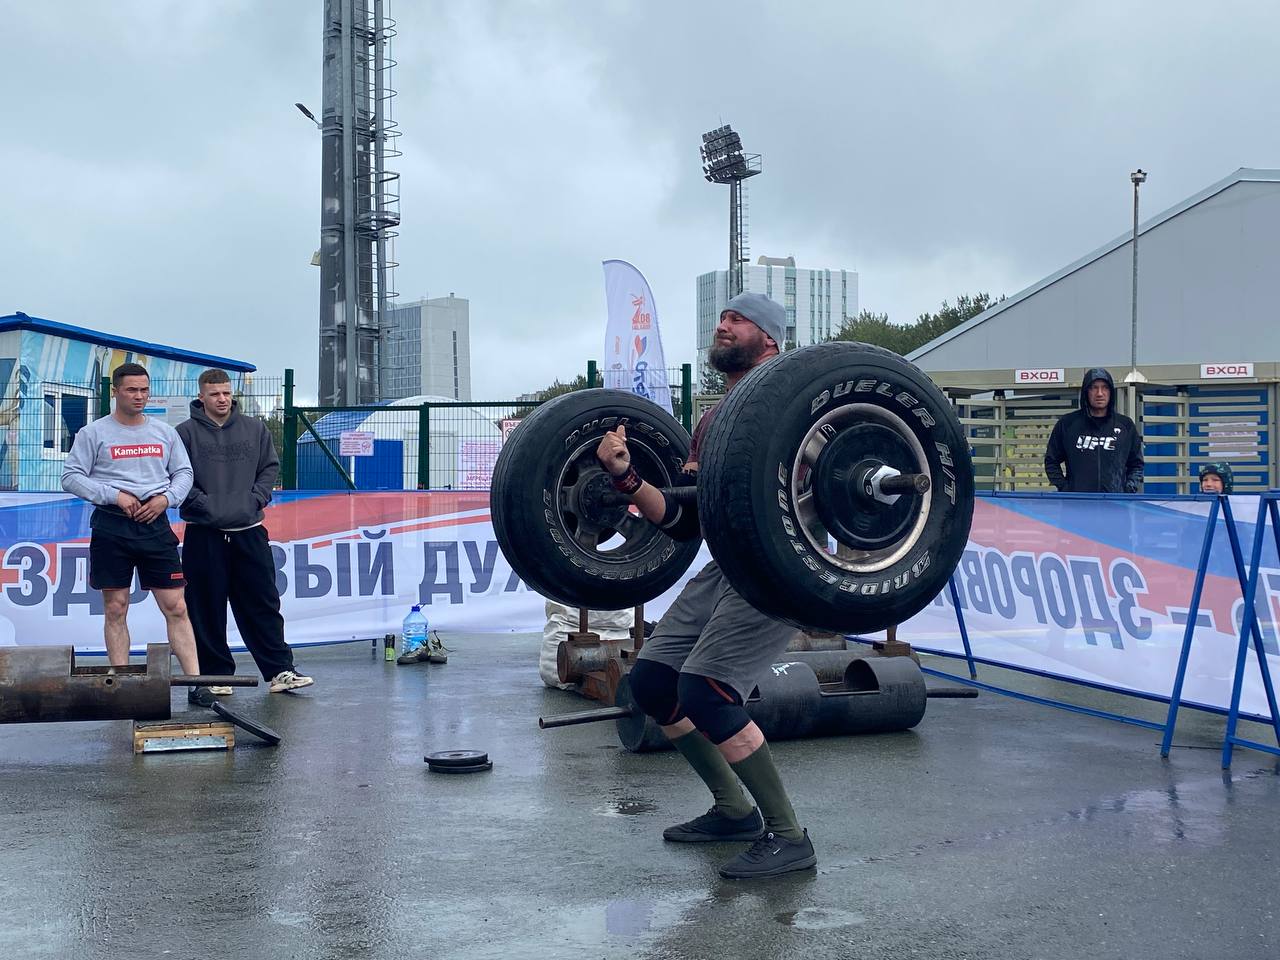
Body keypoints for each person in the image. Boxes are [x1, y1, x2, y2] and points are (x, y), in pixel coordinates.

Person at [596, 292, 816, 880]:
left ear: (769, 339)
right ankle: (734, 810)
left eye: (738, 319)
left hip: (782, 563)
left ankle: (790, 837)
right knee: (653, 682)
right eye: (722, 317)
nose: (724, 325)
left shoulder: (802, 405)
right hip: (728, 564)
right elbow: (684, 518)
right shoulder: (715, 422)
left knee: (707, 691)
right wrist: (624, 476)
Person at [176, 369, 314, 699]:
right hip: (204, 533)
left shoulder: (255, 429)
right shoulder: (183, 433)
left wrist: (255, 499)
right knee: (206, 609)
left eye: (226, 393)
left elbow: (269, 468)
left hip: (249, 532)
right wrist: (205, 505)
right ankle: (216, 676)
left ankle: (280, 671)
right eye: (215, 394)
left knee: (263, 604)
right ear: (201, 397)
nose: (222, 399)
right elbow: (177, 477)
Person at [60, 362, 202, 678]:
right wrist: (114, 495)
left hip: (155, 526)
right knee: (116, 607)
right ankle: (121, 683)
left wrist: (166, 499)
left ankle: (196, 683)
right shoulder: (93, 433)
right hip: (111, 526)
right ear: (115, 392)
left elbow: (184, 472)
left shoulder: (164, 433)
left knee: (176, 606)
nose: (139, 396)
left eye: (144, 390)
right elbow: (70, 477)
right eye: (132, 390)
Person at [1043, 367, 1144, 494]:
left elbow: (1137, 464)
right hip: (1078, 503)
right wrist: (1066, 489)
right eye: (1094, 388)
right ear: (1086, 392)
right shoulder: (1067, 424)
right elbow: (1051, 461)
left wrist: (1128, 489)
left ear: (1111, 392)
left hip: (1116, 504)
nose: (1099, 393)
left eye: (1105, 387)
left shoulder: (1125, 425)